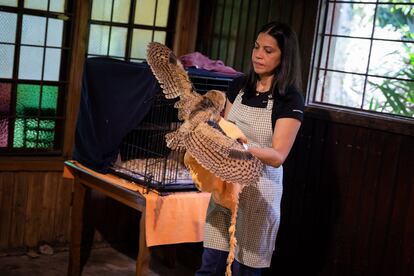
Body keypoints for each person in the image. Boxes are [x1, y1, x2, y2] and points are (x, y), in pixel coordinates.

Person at [195, 21, 304, 276]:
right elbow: (226, 129)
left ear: (283, 56)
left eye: (268, 50)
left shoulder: (290, 98)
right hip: (226, 189)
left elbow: (278, 156)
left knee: (245, 270)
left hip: (259, 196)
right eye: (256, 47)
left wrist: (241, 144)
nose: (258, 54)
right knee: (210, 266)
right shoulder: (239, 86)